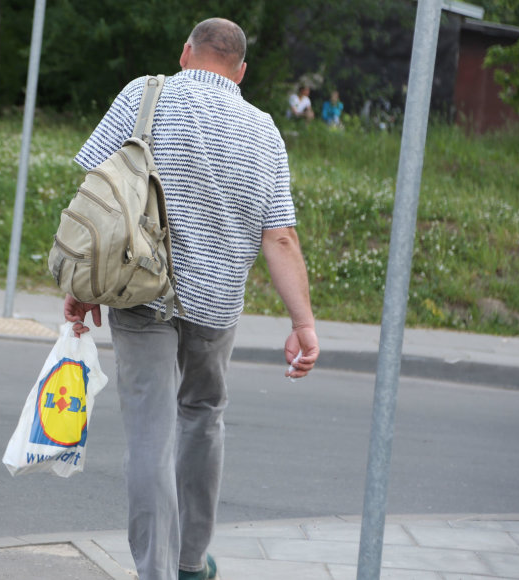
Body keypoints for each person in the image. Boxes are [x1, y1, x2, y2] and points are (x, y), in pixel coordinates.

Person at [64, 18, 319, 580]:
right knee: (204, 419)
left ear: (186, 53)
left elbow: (95, 190)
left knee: (150, 437)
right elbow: (279, 236)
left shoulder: (144, 94)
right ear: (242, 71)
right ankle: (190, 563)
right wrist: (303, 323)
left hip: (141, 293)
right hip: (217, 305)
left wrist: (81, 287)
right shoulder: (265, 130)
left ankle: (154, 571)